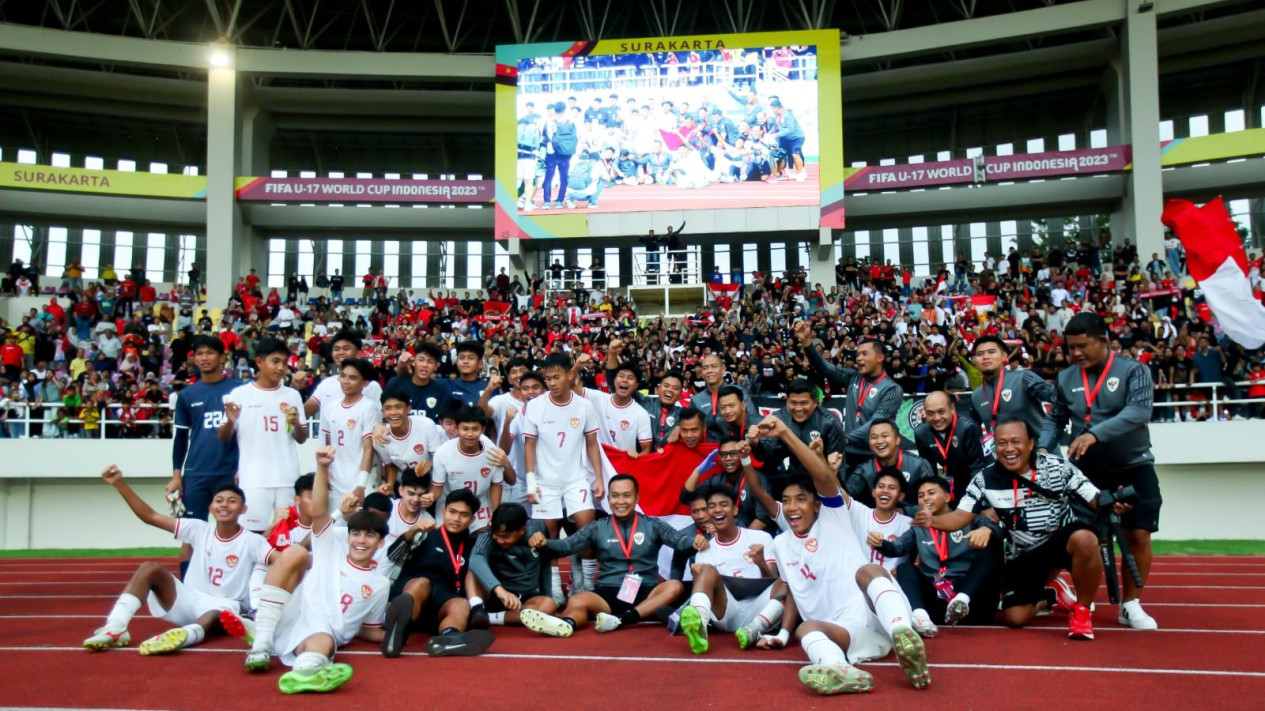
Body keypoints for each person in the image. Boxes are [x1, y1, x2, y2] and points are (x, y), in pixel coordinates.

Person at [754, 415, 929, 695]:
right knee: (807, 630)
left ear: (817, 505)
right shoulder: (781, 544)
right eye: (785, 501)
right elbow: (794, 594)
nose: (791, 507)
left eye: (800, 499)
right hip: (844, 633)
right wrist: (783, 633)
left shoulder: (834, 516)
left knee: (867, 570)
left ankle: (902, 634)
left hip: (876, 616)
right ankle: (841, 670)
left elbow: (823, 477)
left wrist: (785, 433)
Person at [930, 419, 1128, 640]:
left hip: (1060, 540)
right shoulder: (984, 479)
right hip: (1024, 552)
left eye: (1016, 441)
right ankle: (1050, 594)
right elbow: (959, 517)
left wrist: (1115, 501)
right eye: (1002, 443)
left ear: (1032, 443)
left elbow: (1094, 497)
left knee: (1085, 539)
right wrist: (929, 520)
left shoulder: (1057, 467)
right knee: (1015, 618)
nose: (1009, 449)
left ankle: (1082, 611)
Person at [220, 447, 389, 693]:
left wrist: (398, 634)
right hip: (290, 613)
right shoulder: (330, 549)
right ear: (348, 536)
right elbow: (318, 511)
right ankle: (261, 643)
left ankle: (304, 674)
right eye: (356, 534)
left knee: (323, 644)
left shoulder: (380, 584)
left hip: (322, 631)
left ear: (380, 542)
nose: (361, 541)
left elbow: (370, 630)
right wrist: (322, 467)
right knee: (297, 552)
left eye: (369, 536)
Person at [1044, 312, 1160, 631]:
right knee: (1078, 535)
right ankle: (1077, 599)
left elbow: (1139, 411)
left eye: (1082, 346)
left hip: (1134, 464)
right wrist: (1042, 447)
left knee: (1137, 533)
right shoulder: (1066, 377)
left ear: (1104, 342)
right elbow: (1054, 419)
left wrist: (1094, 433)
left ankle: (1130, 605)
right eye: (1070, 348)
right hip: (1086, 472)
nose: (1076, 354)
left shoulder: (1134, 371)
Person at [84, 465, 273, 655]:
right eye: (219, 501)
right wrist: (119, 484)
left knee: (219, 613)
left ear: (243, 509)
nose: (224, 505)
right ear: (211, 507)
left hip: (225, 606)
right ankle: (116, 627)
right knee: (149, 568)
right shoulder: (199, 529)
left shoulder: (253, 541)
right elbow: (150, 516)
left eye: (232, 501)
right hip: (189, 600)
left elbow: (281, 561)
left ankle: (185, 635)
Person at [520, 474, 707, 636]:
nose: (621, 501)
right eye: (615, 496)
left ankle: (623, 619)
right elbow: (566, 545)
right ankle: (566, 624)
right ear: (608, 498)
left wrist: (695, 541)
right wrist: (544, 542)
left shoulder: (652, 525)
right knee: (577, 600)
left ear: (637, 498)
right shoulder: (598, 527)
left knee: (674, 586)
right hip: (608, 593)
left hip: (647, 592)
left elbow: (679, 541)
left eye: (627, 496)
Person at [521, 353, 605, 592]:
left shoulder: (585, 406)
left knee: (586, 528)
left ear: (570, 374)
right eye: (548, 379)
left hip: (575, 479)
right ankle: (556, 587)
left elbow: (591, 443)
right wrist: (530, 481)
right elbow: (529, 445)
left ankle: (586, 583)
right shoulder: (535, 406)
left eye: (556, 377)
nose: (552, 383)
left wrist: (598, 477)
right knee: (548, 534)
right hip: (544, 482)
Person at [378, 487, 494, 658]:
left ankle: (450, 637)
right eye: (452, 512)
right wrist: (411, 532)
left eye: (463, 514)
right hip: (414, 597)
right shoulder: (425, 535)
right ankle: (399, 629)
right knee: (421, 583)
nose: (456, 518)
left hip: (443, 604)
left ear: (472, 519)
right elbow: (392, 556)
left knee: (461, 604)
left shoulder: (473, 547)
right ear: (443, 511)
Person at [872, 477, 1002, 628]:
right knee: (904, 568)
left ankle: (962, 599)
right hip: (935, 599)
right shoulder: (918, 527)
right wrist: (880, 543)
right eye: (921, 496)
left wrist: (987, 529)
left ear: (947, 497)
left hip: (972, 599)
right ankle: (920, 616)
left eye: (931, 493)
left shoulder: (970, 520)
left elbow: (999, 531)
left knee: (991, 548)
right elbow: (897, 548)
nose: (925, 498)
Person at [675, 483, 782, 655]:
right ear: (708, 513)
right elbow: (704, 592)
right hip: (727, 612)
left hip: (761, 609)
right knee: (707, 570)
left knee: (787, 582)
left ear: (735, 510)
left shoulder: (761, 537)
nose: (717, 510)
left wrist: (761, 562)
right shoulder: (705, 550)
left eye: (723, 504)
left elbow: (774, 582)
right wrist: (698, 577)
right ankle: (700, 627)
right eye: (712, 506)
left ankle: (755, 629)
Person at [169, 334, 241, 577]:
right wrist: (176, 475)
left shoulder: (239, 390)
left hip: (231, 471)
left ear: (223, 358)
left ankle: (234, 584)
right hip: (197, 473)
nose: (204, 357)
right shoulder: (187, 395)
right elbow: (180, 439)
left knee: (236, 531)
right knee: (191, 534)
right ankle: (187, 587)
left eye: (210, 353)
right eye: (199, 353)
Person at [219, 338, 309, 533]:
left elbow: (302, 438)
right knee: (252, 534)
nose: (280, 367)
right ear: (259, 362)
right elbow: (223, 437)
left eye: (284, 363)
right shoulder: (240, 394)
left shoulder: (292, 395)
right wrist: (230, 420)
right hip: (254, 479)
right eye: (275, 361)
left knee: (289, 534)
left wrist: (295, 424)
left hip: (287, 477)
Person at [794, 322, 902, 458]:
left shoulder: (892, 389)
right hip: (849, 453)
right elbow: (825, 367)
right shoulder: (853, 377)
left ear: (880, 357)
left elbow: (877, 421)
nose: (859, 358)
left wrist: (846, 438)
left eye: (864, 354)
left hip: (876, 455)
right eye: (857, 355)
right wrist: (806, 342)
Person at [467, 503, 560, 629]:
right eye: (496, 535)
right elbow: (476, 560)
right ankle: (477, 609)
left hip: (526, 597)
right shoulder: (488, 535)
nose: (499, 540)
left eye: (505, 537)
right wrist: (500, 591)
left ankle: (490, 618)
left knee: (549, 605)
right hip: (496, 594)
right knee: (473, 569)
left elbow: (546, 564)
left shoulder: (538, 532)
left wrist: (547, 595)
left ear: (522, 530)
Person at [969, 336, 1057, 457]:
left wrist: (1046, 443)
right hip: (1009, 461)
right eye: (980, 354)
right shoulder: (976, 396)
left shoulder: (1023, 378)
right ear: (974, 360)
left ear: (1004, 356)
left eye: (991, 352)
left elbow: (1059, 399)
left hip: (1043, 456)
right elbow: (972, 429)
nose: (985, 357)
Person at [429, 405, 506, 534]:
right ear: (456, 428)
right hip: (450, 505)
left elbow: (496, 485)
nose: (470, 434)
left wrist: (495, 513)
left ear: (483, 429)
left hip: (481, 505)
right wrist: (429, 497)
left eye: (475, 429)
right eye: (465, 429)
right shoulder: (443, 453)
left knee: (484, 540)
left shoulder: (492, 452)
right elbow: (437, 488)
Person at [318, 358, 382, 507]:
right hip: (336, 482)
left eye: (352, 378)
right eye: (343, 376)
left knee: (360, 527)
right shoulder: (330, 409)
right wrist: (325, 472)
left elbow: (369, 449)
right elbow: (328, 445)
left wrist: (361, 485)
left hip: (361, 482)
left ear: (364, 383)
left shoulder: (368, 407)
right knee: (336, 527)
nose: (346, 381)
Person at [755, 378, 846, 481]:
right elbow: (765, 456)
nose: (798, 408)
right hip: (793, 478)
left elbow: (839, 467)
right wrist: (756, 443)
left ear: (815, 402)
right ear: (786, 401)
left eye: (804, 403)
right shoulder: (779, 419)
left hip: (823, 479)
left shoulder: (831, 423)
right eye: (793, 403)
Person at [844, 419, 933, 511]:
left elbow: (933, 503)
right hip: (878, 521)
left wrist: (905, 512)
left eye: (884, 436)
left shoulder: (918, 465)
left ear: (898, 439)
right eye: (874, 437)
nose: (879, 441)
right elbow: (846, 501)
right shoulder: (864, 470)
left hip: (913, 522)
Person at [371, 388, 447, 497]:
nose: (393, 413)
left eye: (398, 407)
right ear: (382, 412)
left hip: (431, 486)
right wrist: (390, 485)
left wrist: (430, 463)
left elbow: (440, 458)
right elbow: (390, 465)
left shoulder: (426, 425)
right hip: (406, 488)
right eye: (388, 408)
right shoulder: (380, 438)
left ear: (408, 409)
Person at [913, 390, 985, 502]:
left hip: (969, 478)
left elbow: (976, 467)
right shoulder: (921, 433)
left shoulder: (968, 428)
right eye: (930, 413)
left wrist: (979, 499)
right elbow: (928, 470)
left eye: (941, 412)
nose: (936, 418)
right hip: (948, 481)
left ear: (952, 409)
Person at [573, 353, 652, 454]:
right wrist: (576, 367)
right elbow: (570, 388)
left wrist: (635, 459)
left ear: (636, 385)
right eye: (621, 376)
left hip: (623, 467)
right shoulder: (598, 398)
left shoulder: (641, 414)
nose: (625, 380)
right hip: (597, 465)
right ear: (614, 381)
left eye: (630, 378)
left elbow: (646, 449)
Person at [297, 330, 382, 420]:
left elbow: (378, 422)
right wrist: (294, 389)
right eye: (336, 349)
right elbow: (304, 413)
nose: (340, 352)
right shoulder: (327, 384)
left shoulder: (371, 386)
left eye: (346, 349)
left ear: (358, 354)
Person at [385, 341, 458, 420]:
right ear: (413, 362)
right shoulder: (395, 384)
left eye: (430, 362)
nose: (425, 365)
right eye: (421, 360)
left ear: (436, 366)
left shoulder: (442, 390)